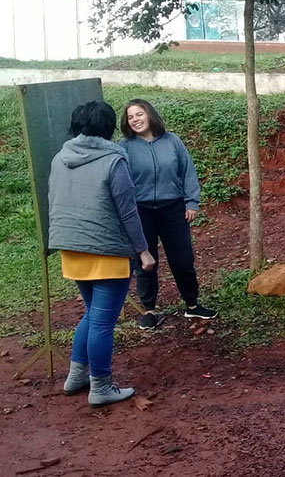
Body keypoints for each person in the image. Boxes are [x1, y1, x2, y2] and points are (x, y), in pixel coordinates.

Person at [48, 101, 156, 407]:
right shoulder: (113, 160)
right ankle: (101, 386)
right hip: (107, 250)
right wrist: (143, 251)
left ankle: (76, 376)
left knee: (92, 313)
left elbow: (53, 199)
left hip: (72, 248)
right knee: (101, 323)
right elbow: (128, 212)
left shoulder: (61, 158)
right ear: (108, 127)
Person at [120, 99, 217, 329]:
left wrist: (192, 202)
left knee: (183, 259)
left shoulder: (172, 141)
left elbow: (188, 171)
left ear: (150, 114)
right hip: (140, 211)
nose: (135, 119)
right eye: (130, 116)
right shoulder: (123, 147)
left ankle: (193, 305)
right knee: (145, 261)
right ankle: (149, 310)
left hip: (173, 208)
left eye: (139, 114)